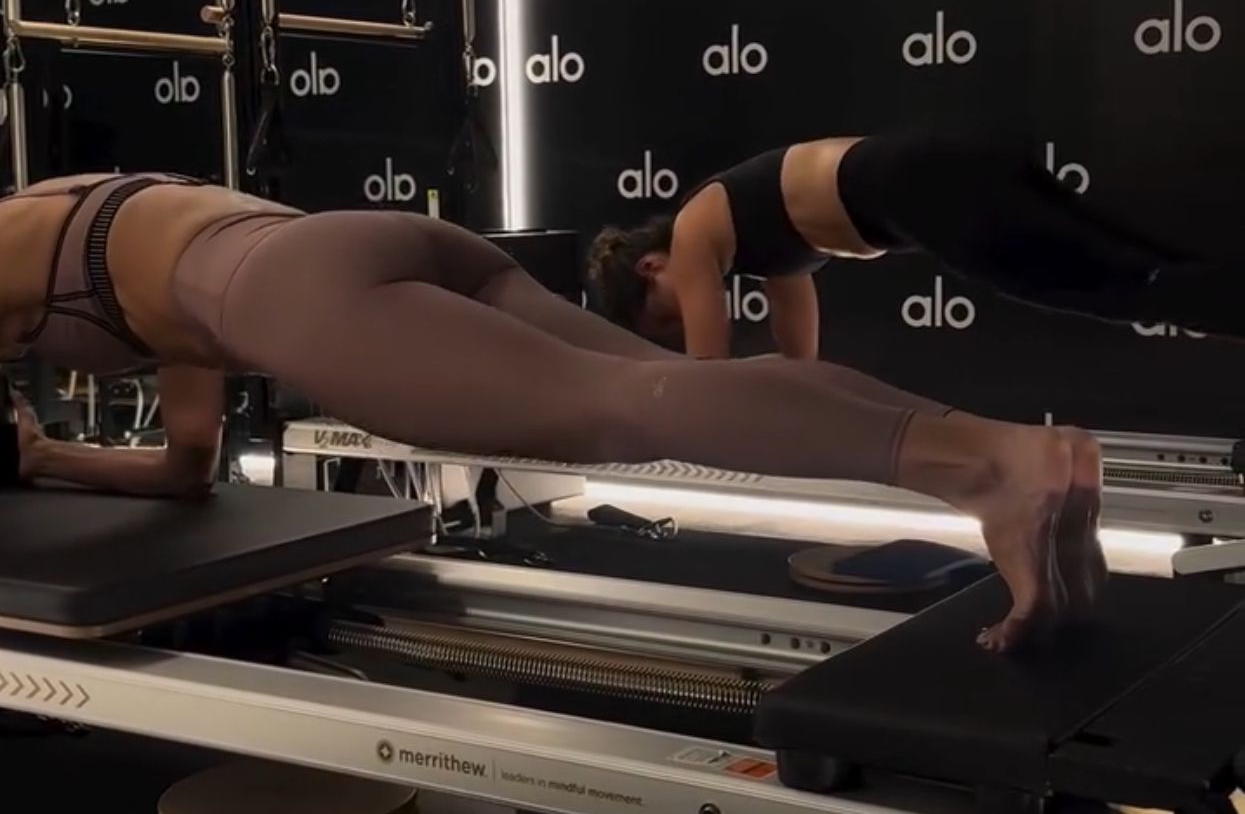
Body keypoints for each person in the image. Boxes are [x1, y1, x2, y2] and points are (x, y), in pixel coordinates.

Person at [0, 170, 1103, 654]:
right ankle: (1011, 454)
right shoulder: (100, 236)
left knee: (631, 410)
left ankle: (985, 470)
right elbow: (186, 468)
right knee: (681, 392)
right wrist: (49, 455)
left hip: (295, 292)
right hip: (367, 243)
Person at [586, 133, 1245, 359]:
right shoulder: (758, 248)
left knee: (1099, 283)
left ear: (652, 265)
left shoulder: (696, 228)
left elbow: (705, 369)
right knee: (1122, 262)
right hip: (932, 179)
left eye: (665, 315)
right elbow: (800, 363)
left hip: (923, 185)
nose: (685, 320)